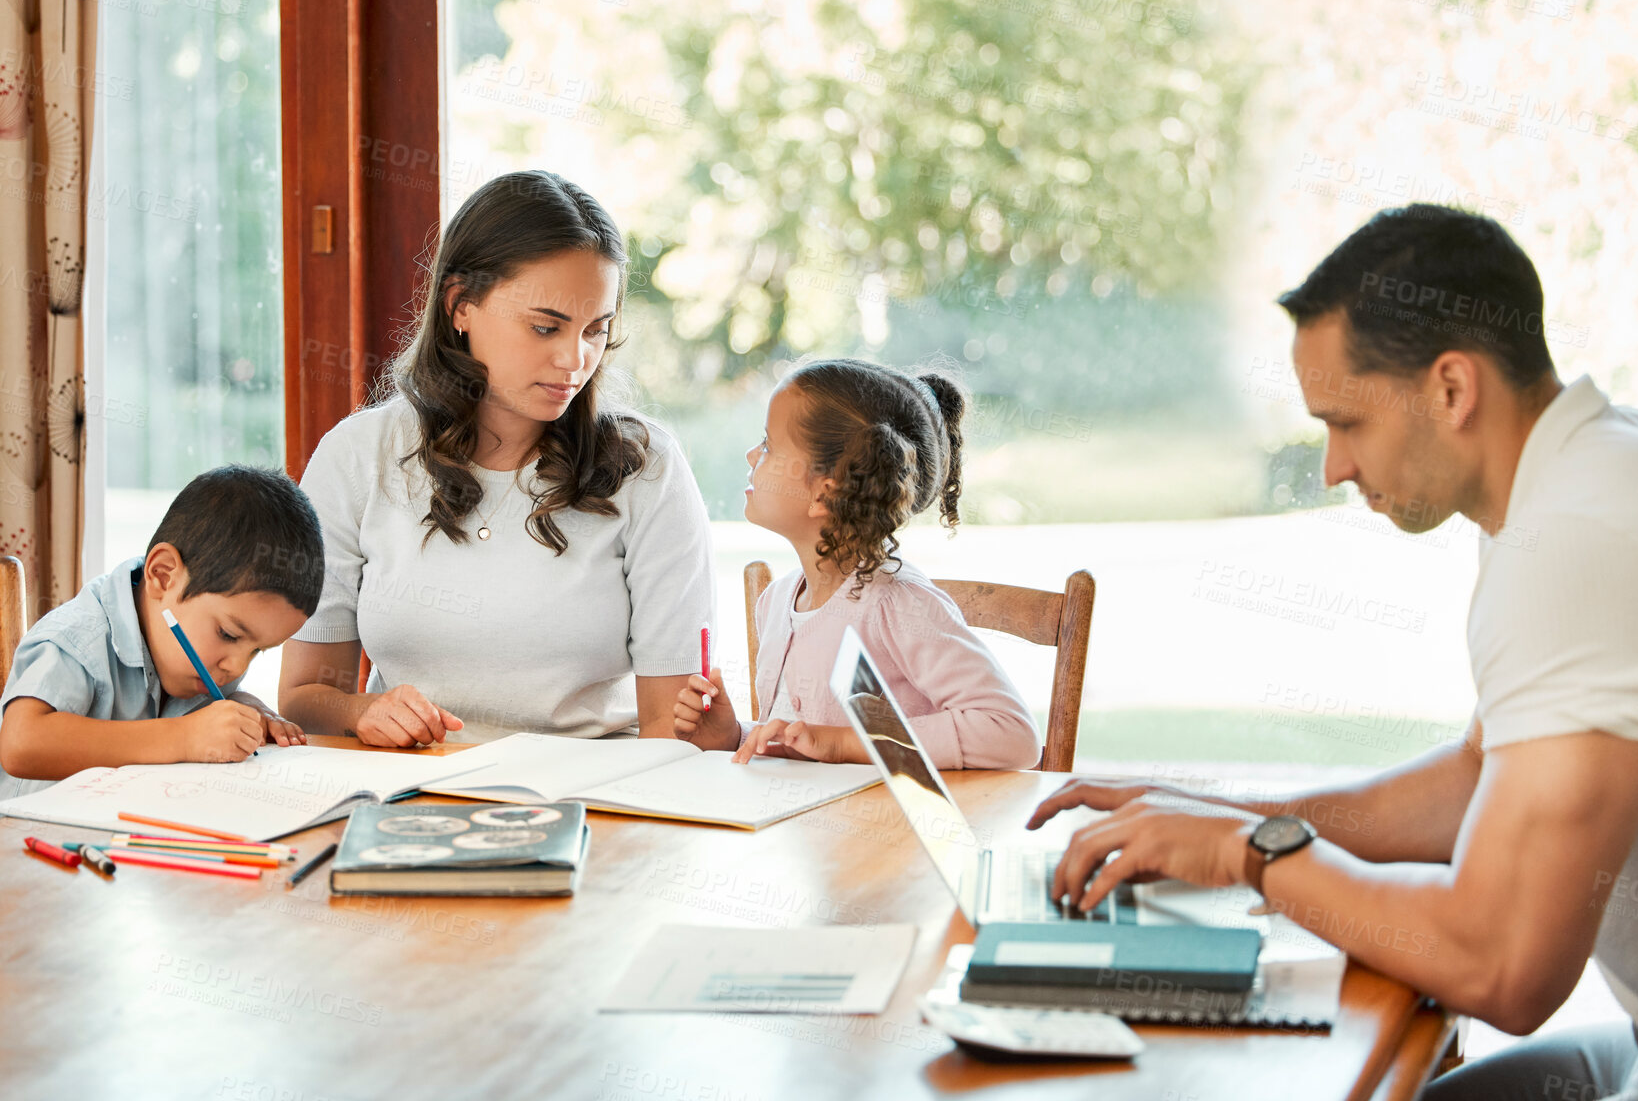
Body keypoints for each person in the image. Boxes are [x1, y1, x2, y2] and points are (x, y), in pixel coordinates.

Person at [1027, 204, 1638, 1099]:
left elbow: (1504, 965)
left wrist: (1249, 853)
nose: (1333, 468)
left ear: (1451, 389)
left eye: (1346, 422)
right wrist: (1213, 815)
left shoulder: (1578, 541)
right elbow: (1474, 779)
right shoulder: (1597, 472)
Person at [278, 172, 715, 746]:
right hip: (412, 781)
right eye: (545, 327)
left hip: (593, 787)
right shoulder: (358, 455)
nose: (574, 359)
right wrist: (361, 711)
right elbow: (305, 698)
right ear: (460, 305)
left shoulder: (645, 468)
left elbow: (672, 730)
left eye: (596, 330)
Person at [673, 359, 1041, 770]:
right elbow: (798, 743)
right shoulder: (775, 602)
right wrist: (733, 736)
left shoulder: (897, 603)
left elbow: (1012, 733)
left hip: (883, 815)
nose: (751, 454)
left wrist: (842, 743)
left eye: (768, 445)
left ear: (824, 494)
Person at [0, 465, 322, 798]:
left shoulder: (195, 660)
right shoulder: (79, 638)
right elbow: (21, 744)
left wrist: (244, 705)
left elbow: (199, 719)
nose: (237, 666)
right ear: (164, 576)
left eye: (257, 650)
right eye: (228, 634)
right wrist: (183, 737)